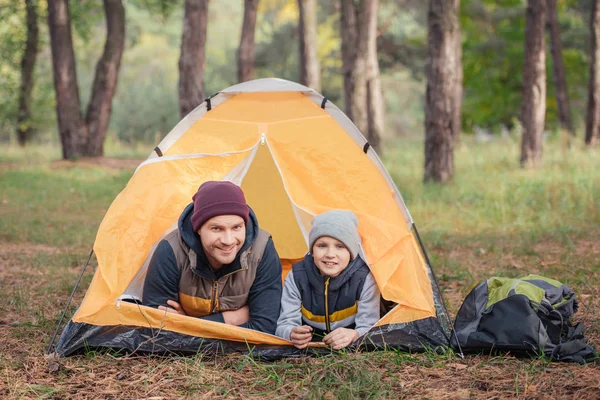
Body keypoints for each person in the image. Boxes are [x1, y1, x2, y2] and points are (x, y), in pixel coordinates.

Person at [142, 180, 282, 334]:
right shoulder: (171, 250)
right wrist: (236, 318)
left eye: (237, 227)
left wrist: (188, 324)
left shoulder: (262, 249)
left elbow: (265, 327)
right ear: (199, 229)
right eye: (216, 228)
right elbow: (156, 327)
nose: (228, 240)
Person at [275, 210, 380, 350]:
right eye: (322, 245)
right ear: (312, 250)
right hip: (311, 339)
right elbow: (283, 325)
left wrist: (354, 334)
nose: (330, 254)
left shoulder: (364, 279)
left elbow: (370, 327)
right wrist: (291, 333)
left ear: (351, 251)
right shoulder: (297, 276)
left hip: (347, 334)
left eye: (340, 246)